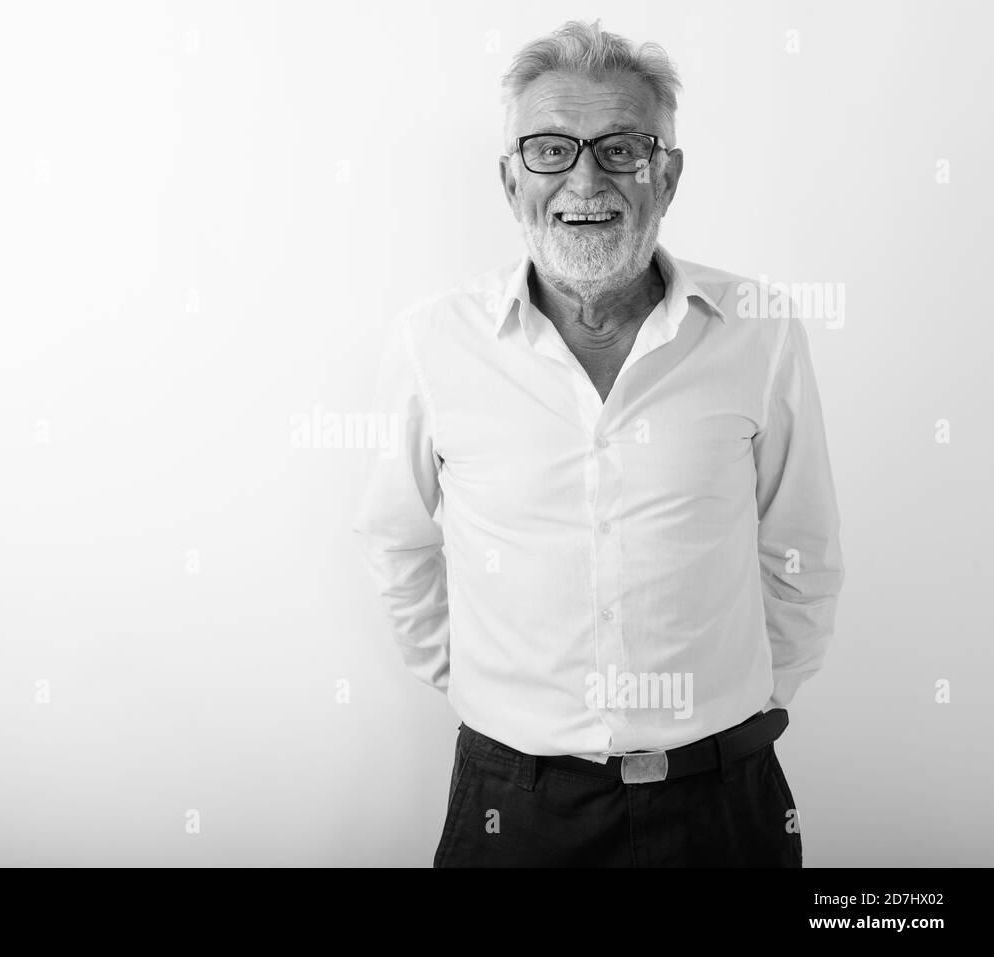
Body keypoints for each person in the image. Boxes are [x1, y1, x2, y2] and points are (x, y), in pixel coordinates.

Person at [351, 20, 845, 867]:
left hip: (725, 803)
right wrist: (501, 701)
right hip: (513, 807)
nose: (585, 178)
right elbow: (400, 549)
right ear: (512, 180)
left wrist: (735, 709)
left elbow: (801, 553)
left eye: (622, 148)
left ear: (669, 175)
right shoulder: (433, 344)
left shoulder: (759, 332)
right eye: (550, 149)